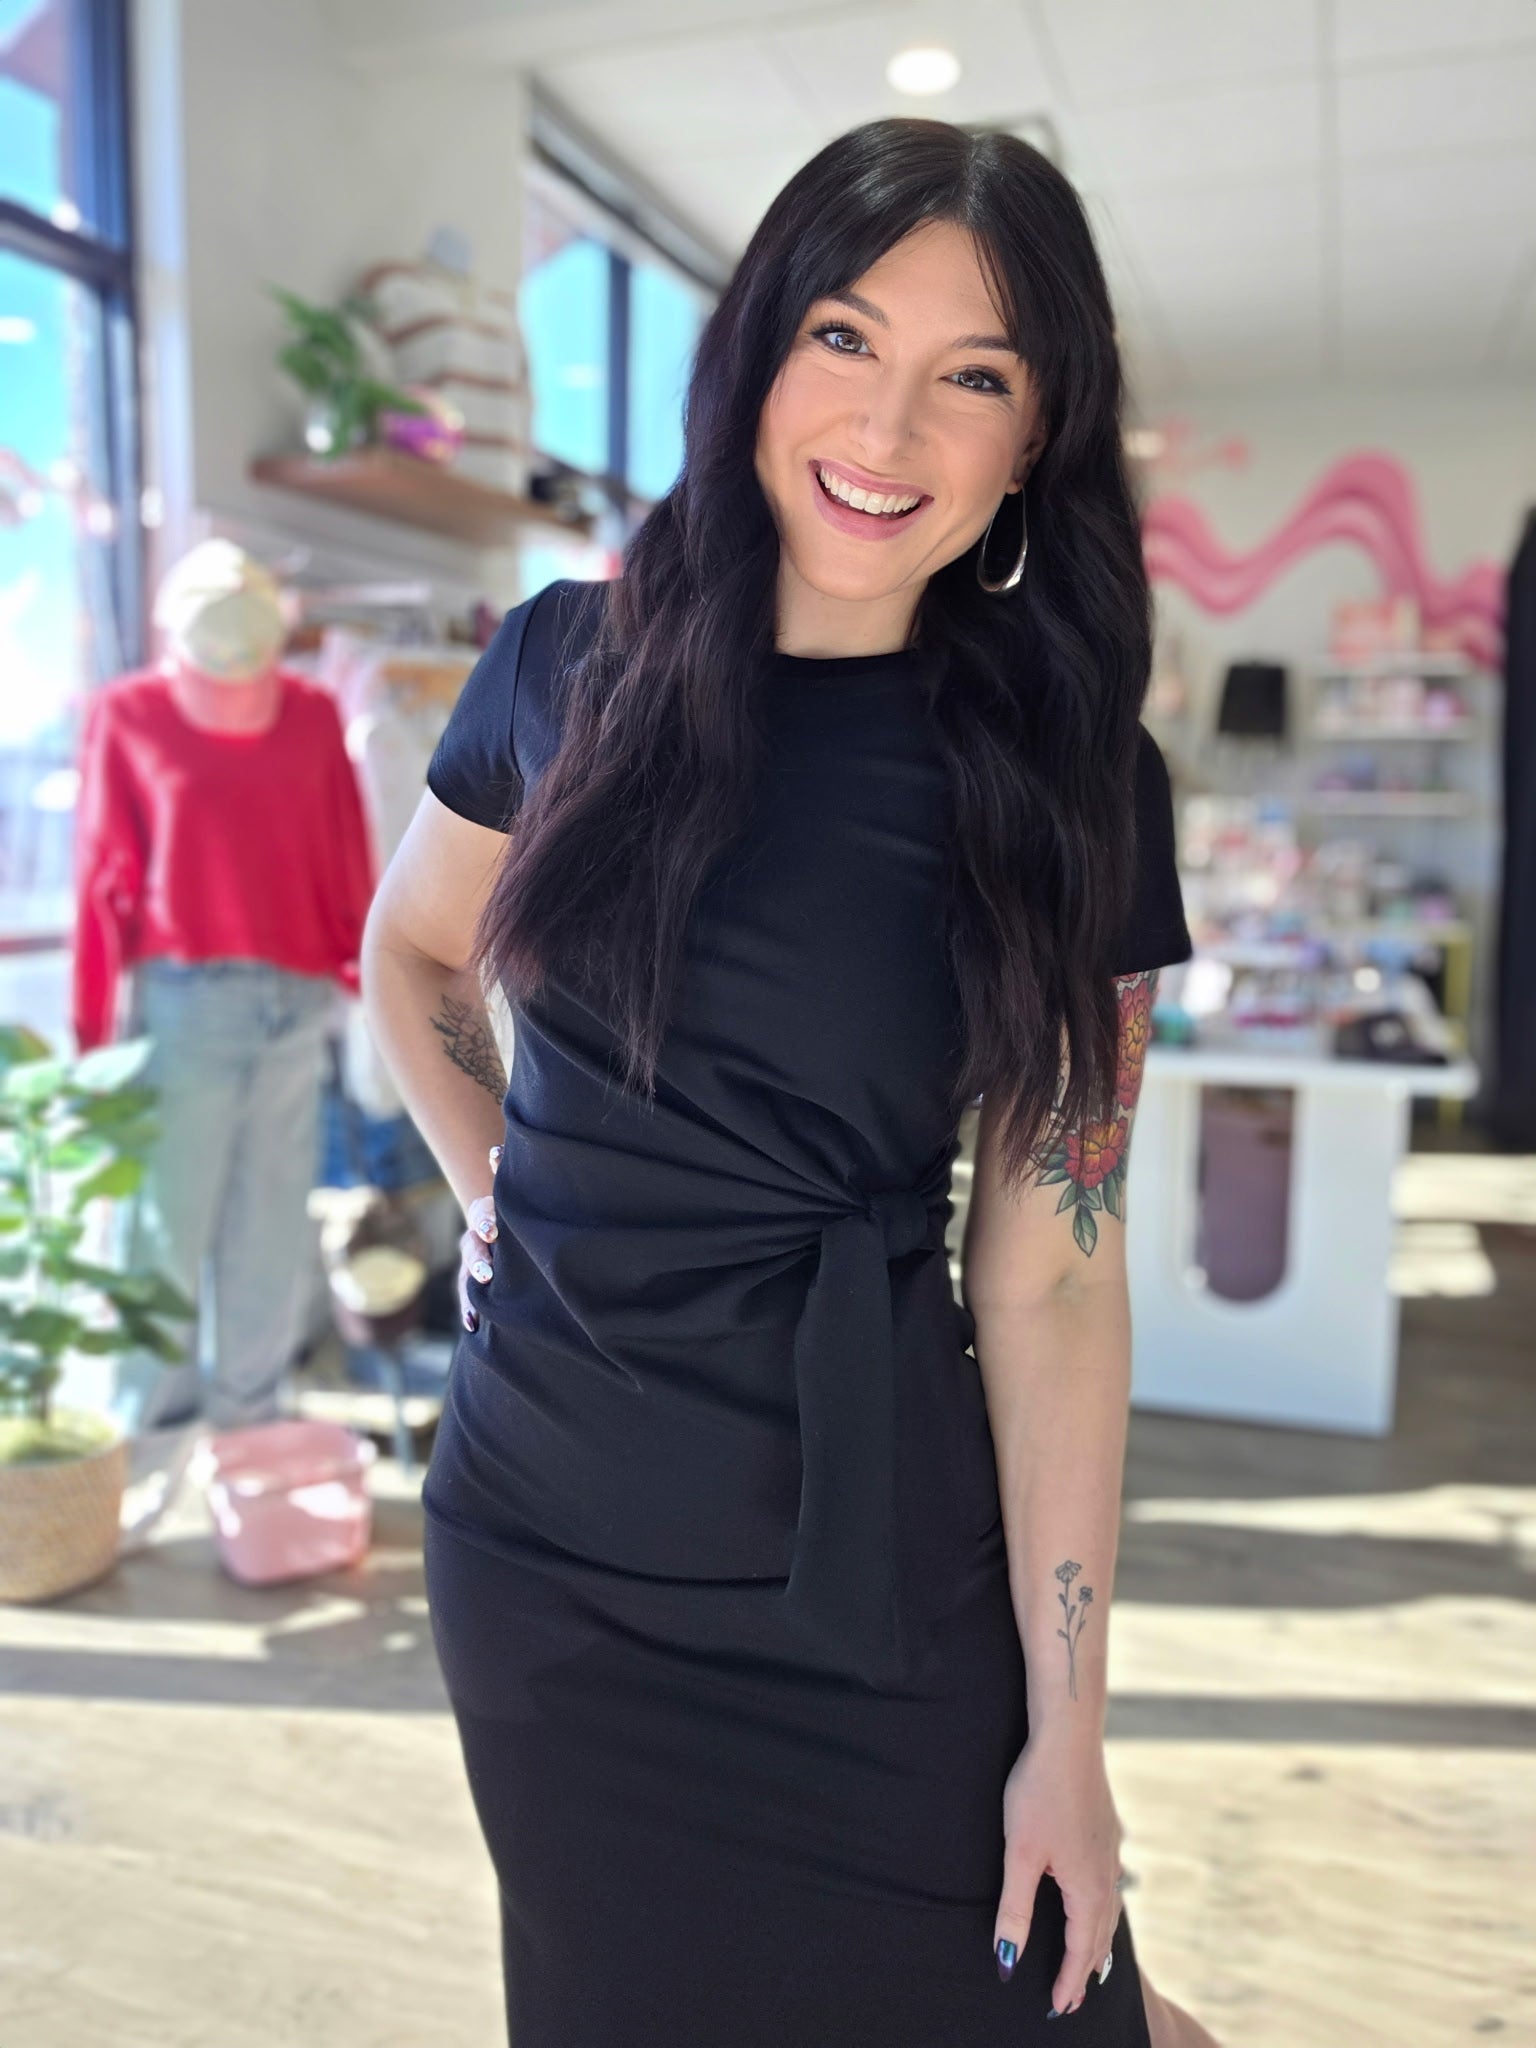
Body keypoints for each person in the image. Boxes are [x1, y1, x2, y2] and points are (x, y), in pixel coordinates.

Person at [362, 117, 1221, 2048]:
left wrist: (1068, 1735)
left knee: (1060, 2007)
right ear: (758, 350)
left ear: (1036, 439)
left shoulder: (1076, 787)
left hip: (874, 1573)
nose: (888, 427)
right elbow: (410, 953)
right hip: (548, 1560)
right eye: (845, 337)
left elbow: (1057, 1271)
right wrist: (491, 1179)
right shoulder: (561, 668)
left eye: (974, 377)